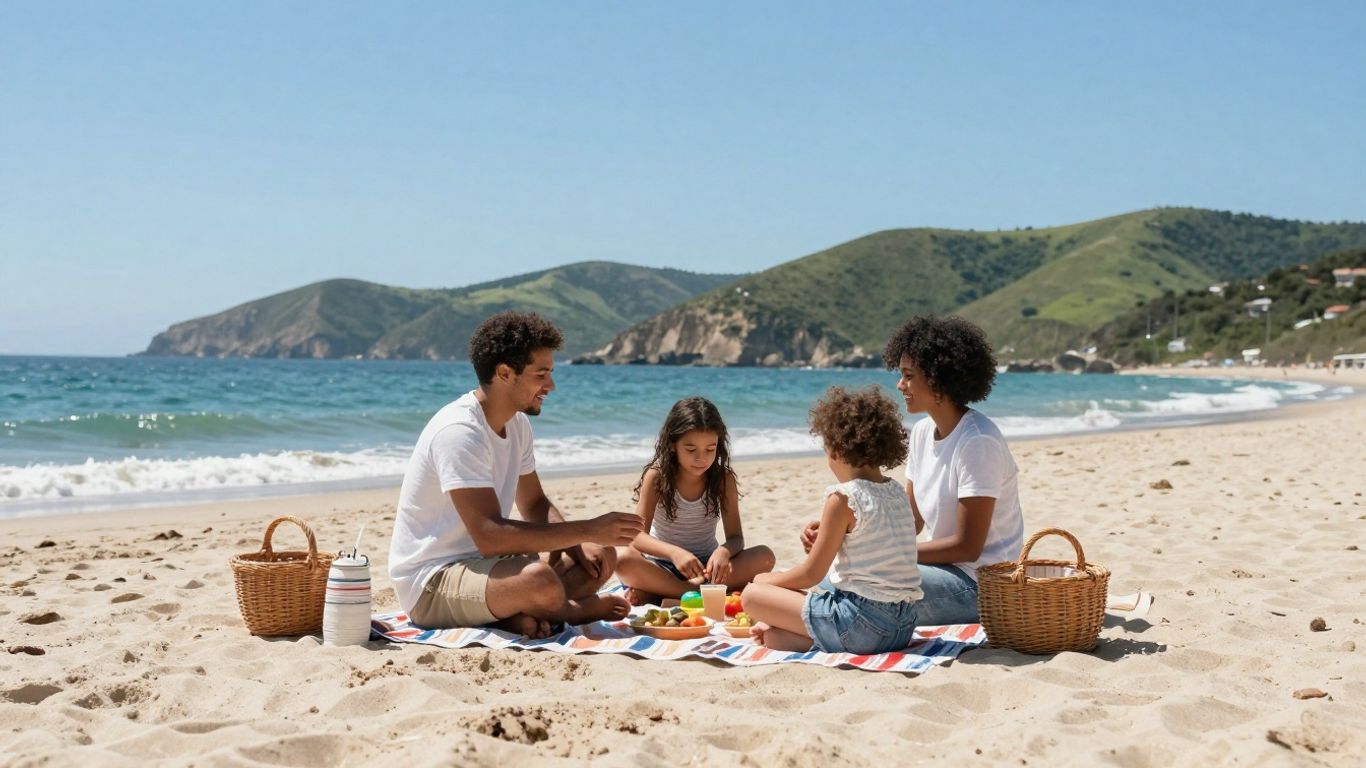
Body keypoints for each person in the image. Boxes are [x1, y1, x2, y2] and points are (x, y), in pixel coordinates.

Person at [388, 311, 644, 639]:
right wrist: (587, 528)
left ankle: (516, 615)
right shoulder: (460, 431)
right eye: (541, 374)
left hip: (489, 568)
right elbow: (490, 535)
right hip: (432, 582)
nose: (550, 385)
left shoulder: (517, 423)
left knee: (599, 555)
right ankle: (572, 611)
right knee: (539, 580)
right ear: (505, 373)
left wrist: (577, 543)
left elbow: (535, 502)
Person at [801, 315, 1025, 626]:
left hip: (979, 585)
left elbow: (968, 547)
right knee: (841, 578)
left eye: (908, 375)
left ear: (939, 380)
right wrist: (841, 530)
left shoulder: (978, 441)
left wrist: (891, 554)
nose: (900, 384)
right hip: (942, 572)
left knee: (846, 582)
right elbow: (909, 521)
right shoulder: (921, 433)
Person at [742, 386, 922, 653]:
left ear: (836, 451)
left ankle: (799, 631)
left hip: (863, 625)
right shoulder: (895, 490)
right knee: (774, 638)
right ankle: (787, 636)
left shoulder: (843, 498)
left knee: (752, 595)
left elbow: (810, 574)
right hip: (902, 628)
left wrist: (763, 580)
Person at [615, 397, 775, 604]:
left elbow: (736, 538)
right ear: (672, 445)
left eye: (710, 449)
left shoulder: (723, 479)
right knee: (622, 558)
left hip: (708, 568)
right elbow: (637, 536)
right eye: (691, 450)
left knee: (765, 556)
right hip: (663, 567)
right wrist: (674, 553)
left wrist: (723, 553)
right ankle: (693, 592)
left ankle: (668, 594)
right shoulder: (658, 476)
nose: (701, 458)